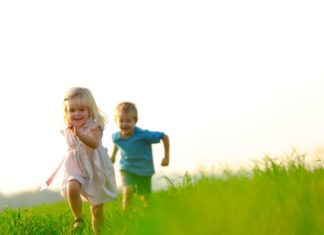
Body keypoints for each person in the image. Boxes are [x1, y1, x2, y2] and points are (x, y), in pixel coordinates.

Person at [61, 87, 117, 234]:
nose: (76, 114)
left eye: (81, 110)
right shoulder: (68, 128)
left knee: (97, 210)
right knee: (71, 187)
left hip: (95, 167)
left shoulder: (94, 126)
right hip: (76, 166)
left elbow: (94, 143)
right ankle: (78, 219)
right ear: (66, 112)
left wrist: (79, 134)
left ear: (90, 110)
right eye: (72, 110)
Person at [111, 102, 170, 210]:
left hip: (144, 170)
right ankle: (127, 217)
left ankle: (149, 213)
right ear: (116, 121)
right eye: (121, 121)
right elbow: (116, 144)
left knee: (145, 197)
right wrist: (113, 156)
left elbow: (164, 137)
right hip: (126, 168)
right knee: (127, 191)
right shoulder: (116, 137)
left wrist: (166, 157)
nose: (124, 124)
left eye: (128, 121)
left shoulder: (143, 135)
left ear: (135, 121)